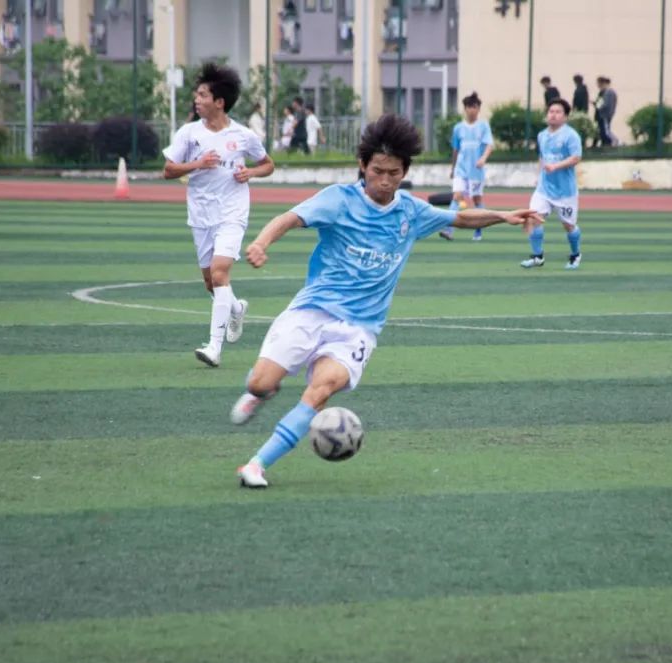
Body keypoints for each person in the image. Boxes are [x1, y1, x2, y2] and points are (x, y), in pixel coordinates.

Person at [229, 114, 540, 488]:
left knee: (322, 390)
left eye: (394, 172)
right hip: (313, 311)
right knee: (260, 382)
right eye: (378, 171)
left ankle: (256, 465)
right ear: (363, 165)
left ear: (404, 171)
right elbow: (289, 218)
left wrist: (503, 215)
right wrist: (261, 243)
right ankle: (261, 392)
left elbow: (459, 219)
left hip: (359, 329)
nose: (385, 180)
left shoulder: (410, 211)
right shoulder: (339, 199)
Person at [161, 63, 276, 369]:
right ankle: (236, 309)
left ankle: (214, 347)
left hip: (232, 213)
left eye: (202, 95)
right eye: (197, 95)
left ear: (219, 102)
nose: (196, 100)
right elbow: (168, 170)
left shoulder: (243, 135)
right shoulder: (189, 133)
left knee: (220, 272)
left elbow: (268, 164)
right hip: (201, 214)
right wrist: (197, 164)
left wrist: (250, 172)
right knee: (210, 283)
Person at [520, 98, 583, 270]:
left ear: (565, 117)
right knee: (534, 218)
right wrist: (538, 175)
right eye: (551, 111)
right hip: (544, 189)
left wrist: (556, 166)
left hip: (565, 191)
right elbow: (542, 157)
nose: (553, 115)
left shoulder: (571, 135)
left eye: (558, 112)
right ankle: (537, 256)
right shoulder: (542, 135)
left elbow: (576, 158)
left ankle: (575, 254)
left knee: (569, 226)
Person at [439, 91, 493, 242]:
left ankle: (478, 230)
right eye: (469, 107)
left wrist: (483, 158)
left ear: (478, 109)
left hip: (476, 171)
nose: (471, 110)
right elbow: (456, 149)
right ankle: (449, 230)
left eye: (474, 107)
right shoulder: (458, 128)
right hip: (461, 170)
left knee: (477, 200)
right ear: (465, 109)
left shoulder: (483, 126)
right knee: (456, 196)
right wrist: (453, 168)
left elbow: (489, 145)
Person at [594, 76, 617, 147]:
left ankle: (615, 140)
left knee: (606, 130)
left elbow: (605, 104)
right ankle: (607, 143)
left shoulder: (608, 92)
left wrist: (597, 105)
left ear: (603, 83)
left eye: (598, 83)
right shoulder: (606, 92)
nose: (598, 85)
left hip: (605, 114)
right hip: (605, 114)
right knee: (604, 130)